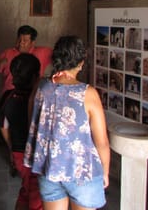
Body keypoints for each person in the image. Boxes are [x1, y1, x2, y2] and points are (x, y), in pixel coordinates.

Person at [24, 36, 110, 210]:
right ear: (81, 62)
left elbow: (33, 124)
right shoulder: (88, 93)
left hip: (49, 168)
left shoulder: (41, 87)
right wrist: (105, 172)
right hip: (81, 172)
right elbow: (102, 142)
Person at [0, 25, 52, 174]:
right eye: (19, 39)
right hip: (10, 97)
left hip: (32, 97)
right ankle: (14, 157)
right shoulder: (8, 53)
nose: (21, 43)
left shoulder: (42, 52)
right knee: (12, 130)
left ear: (33, 42)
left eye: (25, 40)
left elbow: (59, 59)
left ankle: (28, 160)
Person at [0, 53, 43, 210]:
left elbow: (3, 127)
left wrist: (11, 147)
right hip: (34, 156)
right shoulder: (39, 99)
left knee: (26, 190)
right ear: (34, 77)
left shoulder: (8, 97)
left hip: (18, 154)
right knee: (36, 197)